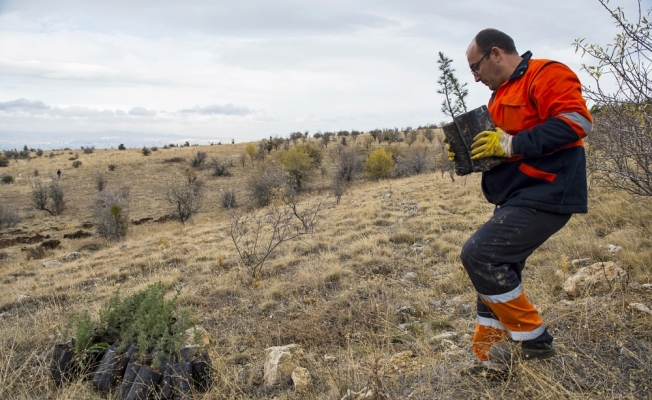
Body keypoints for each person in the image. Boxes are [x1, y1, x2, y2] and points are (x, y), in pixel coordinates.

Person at [449, 29, 592, 373]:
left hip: (548, 193)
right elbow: (501, 146)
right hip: (515, 196)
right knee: (497, 272)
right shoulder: (500, 97)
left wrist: (510, 145)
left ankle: (534, 340)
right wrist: (468, 156)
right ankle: (493, 362)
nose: (475, 77)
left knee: (481, 255)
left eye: (476, 67)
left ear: (495, 53)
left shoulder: (545, 74)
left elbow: (576, 121)